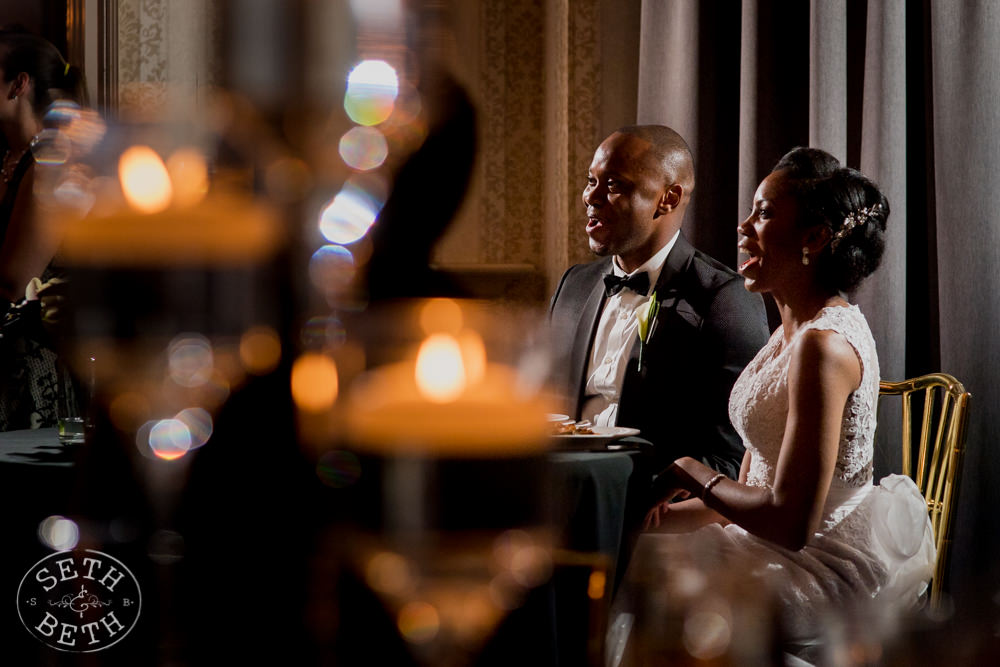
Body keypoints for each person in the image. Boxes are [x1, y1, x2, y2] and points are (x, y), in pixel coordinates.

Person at [620, 147, 935, 659]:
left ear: (814, 238)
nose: (743, 227)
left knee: (653, 594)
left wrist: (685, 470)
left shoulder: (824, 345)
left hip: (816, 565)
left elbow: (790, 523)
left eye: (763, 213)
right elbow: (746, 496)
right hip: (758, 538)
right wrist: (623, 522)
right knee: (616, 556)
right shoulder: (789, 333)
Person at [548, 125, 770, 479]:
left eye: (614, 185)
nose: (591, 197)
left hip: (653, 512)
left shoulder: (724, 300)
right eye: (591, 181)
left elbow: (734, 457)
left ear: (667, 198)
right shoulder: (572, 286)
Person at [0, 29, 86, 430]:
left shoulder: (50, 165)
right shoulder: (10, 158)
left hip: (30, 365)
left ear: (17, 84)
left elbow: (13, 282)